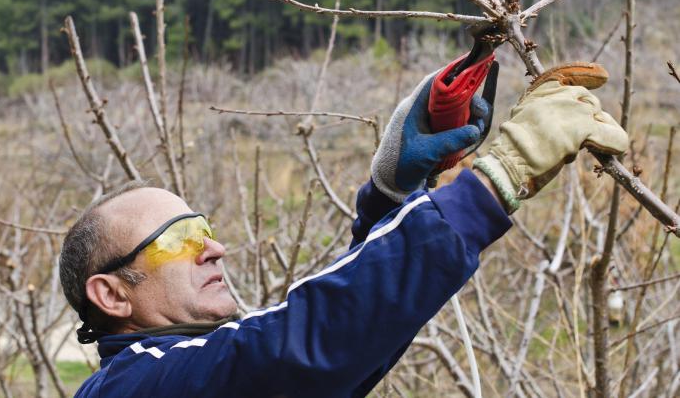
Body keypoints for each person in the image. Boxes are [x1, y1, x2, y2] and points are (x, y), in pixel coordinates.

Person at [60, 33, 628, 397]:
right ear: (112, 295)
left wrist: (391, 193)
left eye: (204, 230)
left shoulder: (183, 372)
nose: (215, 248)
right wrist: (499, 176)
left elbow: (339, 346)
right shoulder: (135, 388)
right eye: (179, 239)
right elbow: (300, 347)